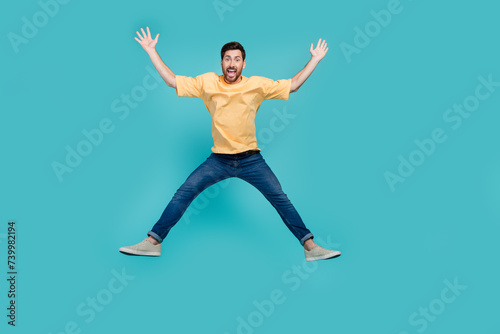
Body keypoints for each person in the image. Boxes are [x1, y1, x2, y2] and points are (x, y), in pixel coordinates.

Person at [119, 27, 341, 262]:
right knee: (183, 193)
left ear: (244, 64)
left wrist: (314, 59)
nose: (231, 63)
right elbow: (172, 81)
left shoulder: (256, 84)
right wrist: (152, 51)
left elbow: (293, 85)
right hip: (219, 160)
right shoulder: (207, 82)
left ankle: (310, 247)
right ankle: (152, 243)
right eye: (227, 59)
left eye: (236, 59)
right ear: (221, 63)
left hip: (251, 160)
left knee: (280, 198)